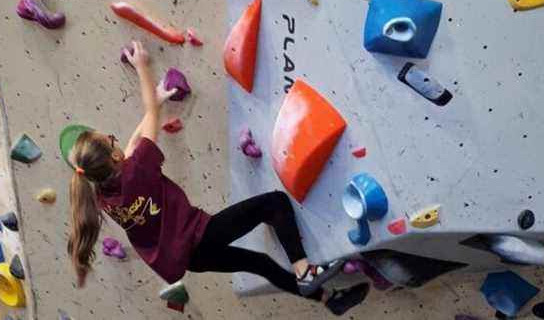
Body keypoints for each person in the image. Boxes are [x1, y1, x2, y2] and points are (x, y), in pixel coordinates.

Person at [66, 40, 370, 316]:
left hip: (189, 260)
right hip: (199, 236)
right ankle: (304, 270)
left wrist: (156, 105)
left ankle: (330, 300)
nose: (115, 139)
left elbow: (133, 142)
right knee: (274, 204)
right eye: (109, 138)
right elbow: (139, 135)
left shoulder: (103, 196)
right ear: (115, 157)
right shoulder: (137, 169)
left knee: (259, 263)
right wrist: (142, 67)